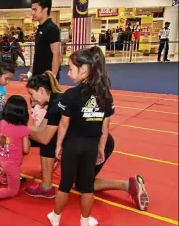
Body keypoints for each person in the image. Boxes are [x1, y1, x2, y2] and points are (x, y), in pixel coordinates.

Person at [25, 70, 149, 212]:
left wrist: (19, 129)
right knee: (83, 182)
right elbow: (40, 128)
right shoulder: (57, 99)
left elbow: (44, 137)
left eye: (31, 94)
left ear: (41, 90)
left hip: (93, 144)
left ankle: (46, 187)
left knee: (78, 180)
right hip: (98, 140)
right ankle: (129, 185)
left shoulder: (56, 104)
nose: (32, 99)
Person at [47, 47, 114, 226]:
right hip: (91, 145)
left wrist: (59, 145)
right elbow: (104, 128)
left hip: (72, 144)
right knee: (86, 186)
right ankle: (85, 222)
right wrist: (101, 148)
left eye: (70, 69)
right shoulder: (105, 95)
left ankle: (55, 217)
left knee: (65, 184)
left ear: (84, 70)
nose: (68, 73)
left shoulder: (70, 95)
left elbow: (64, 125)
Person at [20, 0, 61, 81]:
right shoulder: (40, 28)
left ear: (45, 10)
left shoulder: (51, 28)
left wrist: (52, 77)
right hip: (38, 76)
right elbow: (38, 55)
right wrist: (29, 73)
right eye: (32, 9)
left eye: (35, 9)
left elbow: (56, 54)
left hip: (47, 78)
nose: (32, 12)